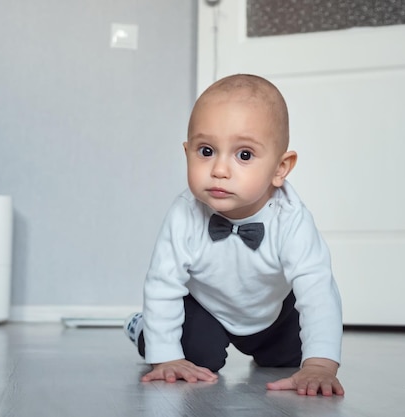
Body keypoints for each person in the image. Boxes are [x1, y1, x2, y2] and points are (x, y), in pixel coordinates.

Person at [125, 74, 344, 396]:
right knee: (195, 359)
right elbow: (162, 283)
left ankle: (286, 350)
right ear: (187, 152)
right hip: (206, 306)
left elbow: (317, 290)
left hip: (272, 309)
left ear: (280, 168)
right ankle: (142, 328)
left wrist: (321, 365)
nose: (219, 170)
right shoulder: (184, 214)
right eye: (206, 150)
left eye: (244, 155)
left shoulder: (291, 218)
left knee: (292, 359)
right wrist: (165, 357)